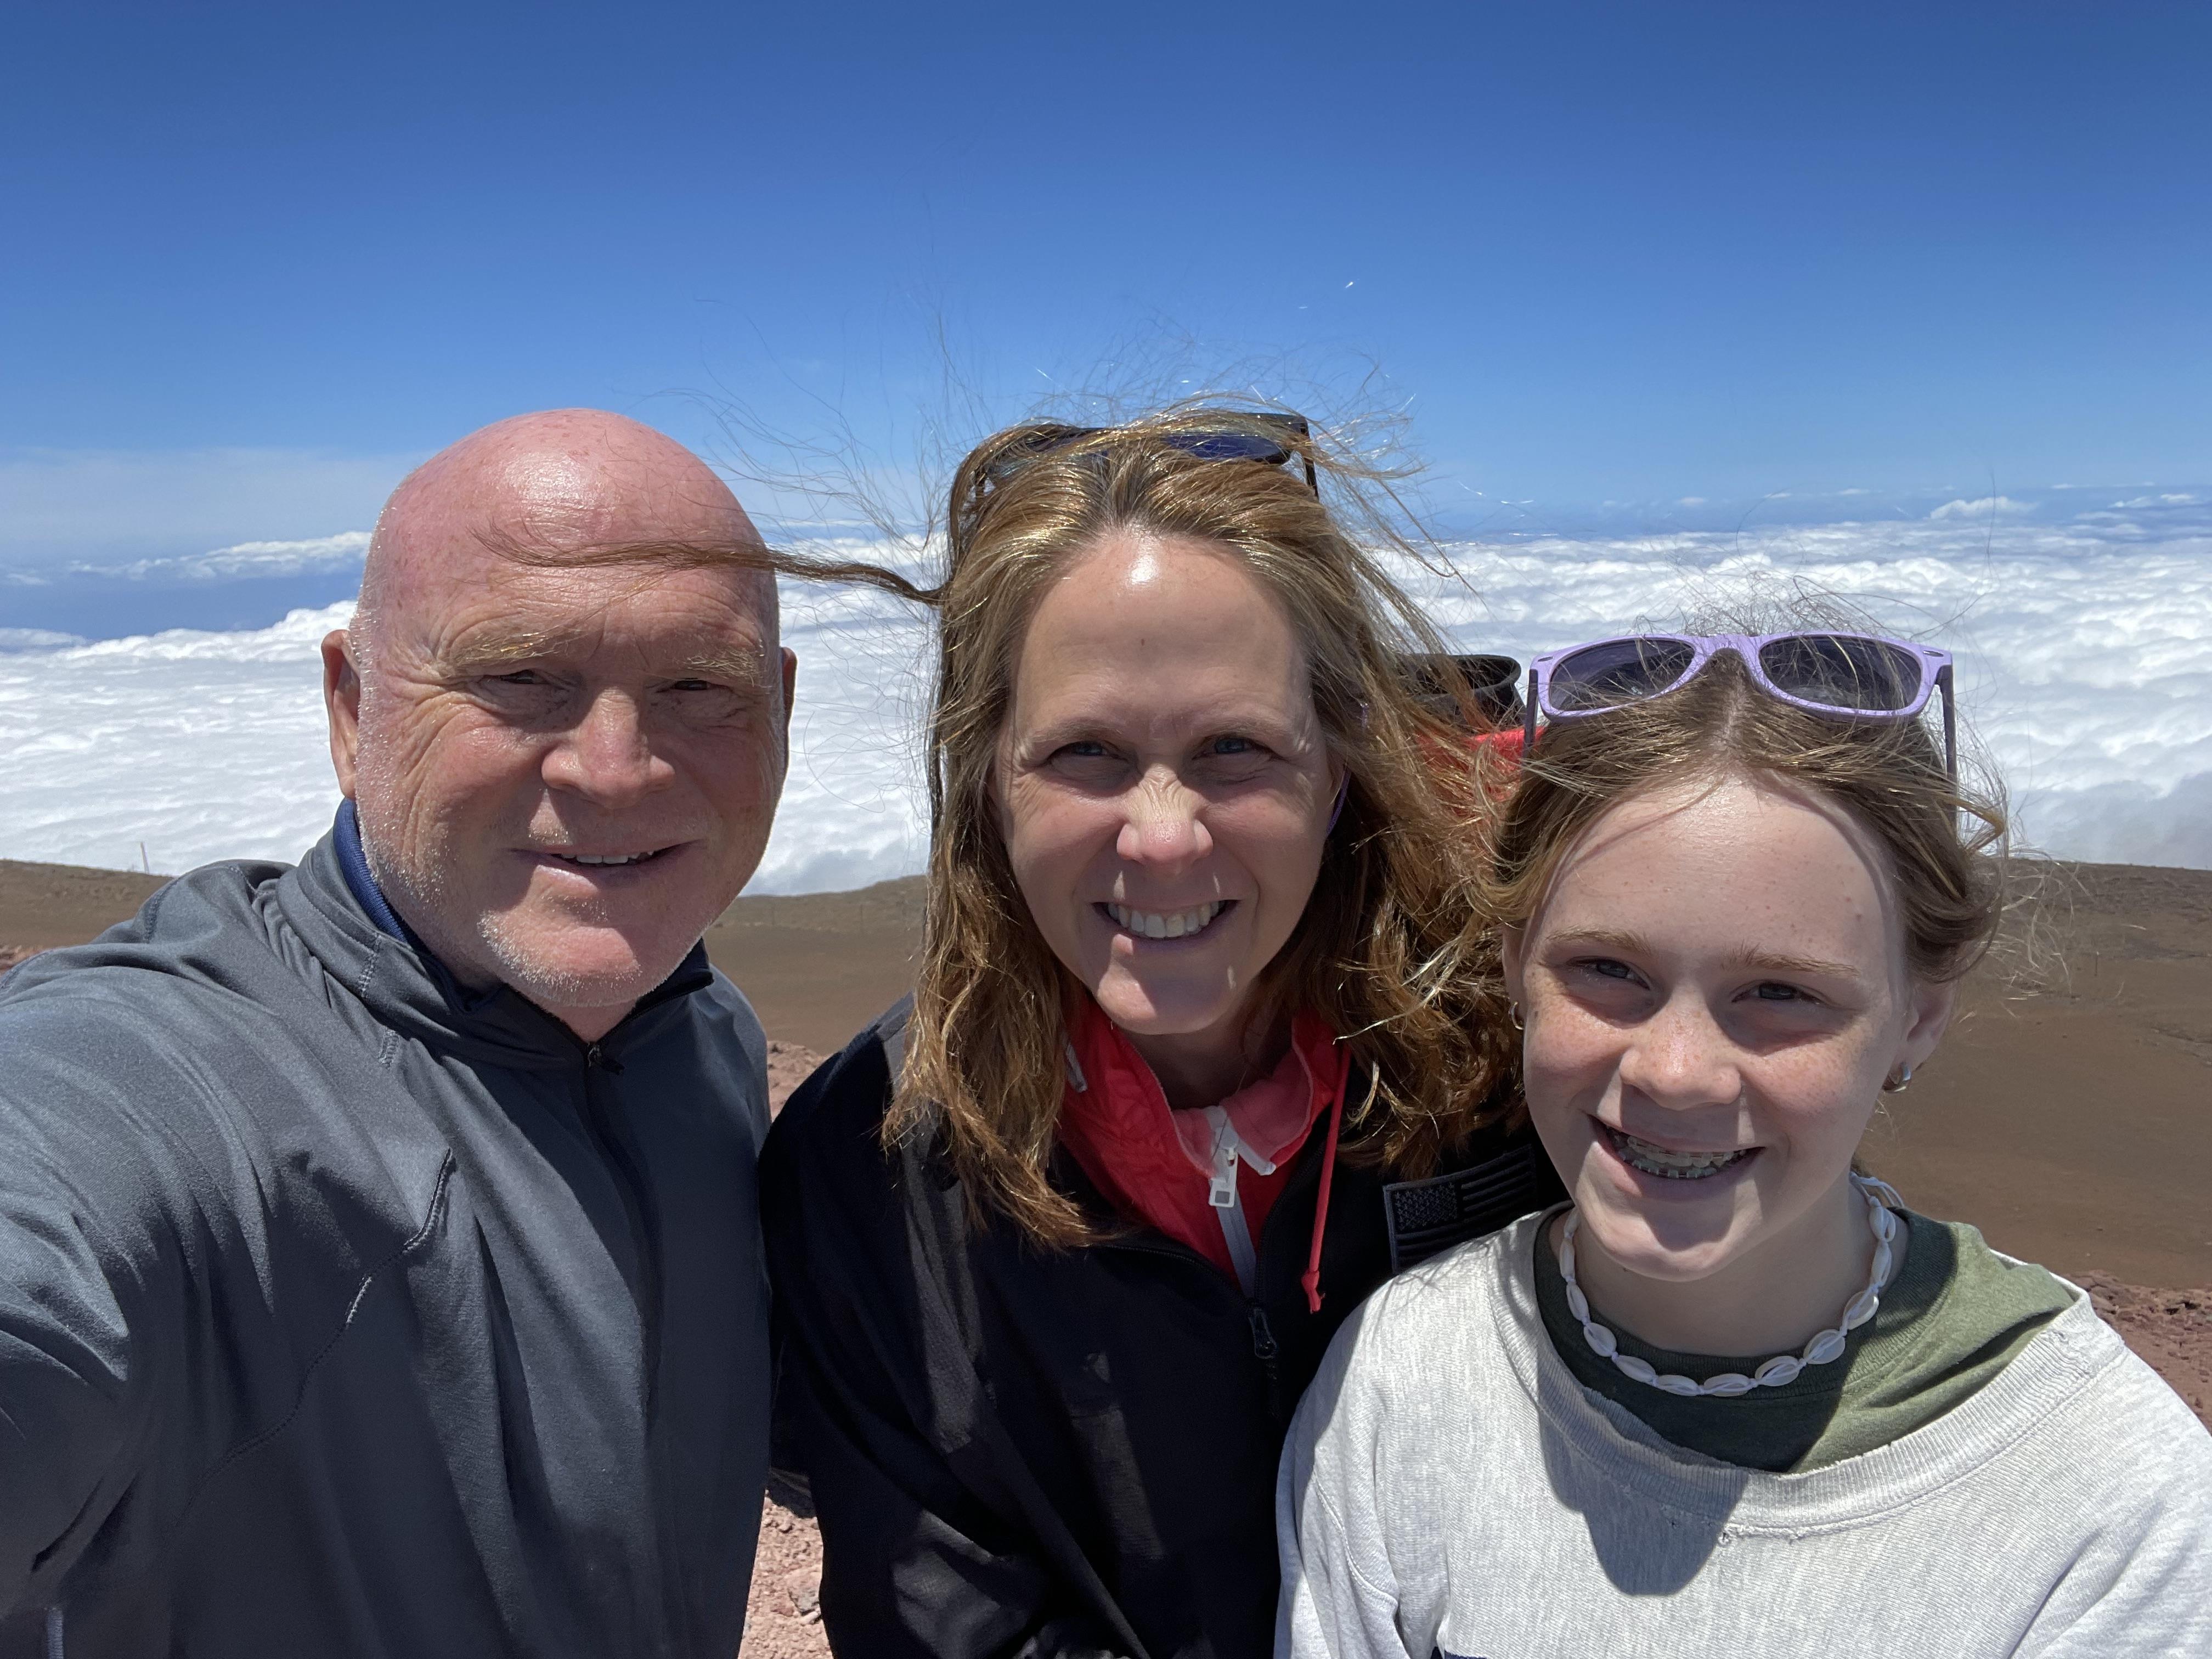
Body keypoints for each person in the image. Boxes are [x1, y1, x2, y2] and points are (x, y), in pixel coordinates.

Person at [762, 410, 1563, 1658]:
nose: (1164, 835)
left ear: (1340, 763)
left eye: (1233, 749)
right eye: (1087, 752)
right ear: (986, 777)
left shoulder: (1510, 1071)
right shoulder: (869, 1168)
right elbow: (941, 1620)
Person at [0, 409, 796, 1657]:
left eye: (700, 686)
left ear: (784, 709)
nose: (616, 768)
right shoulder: (174, 1077)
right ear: (350, 707)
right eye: (521, 678)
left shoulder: (703, 1043)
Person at [1277, 630, 2212, 1657]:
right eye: (1606, 970)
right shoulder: (1401, 1386)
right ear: (1513, 966)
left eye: (1779, 992)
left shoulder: (2105, 1498)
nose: (1675, 1070)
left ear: (1919, 1016)